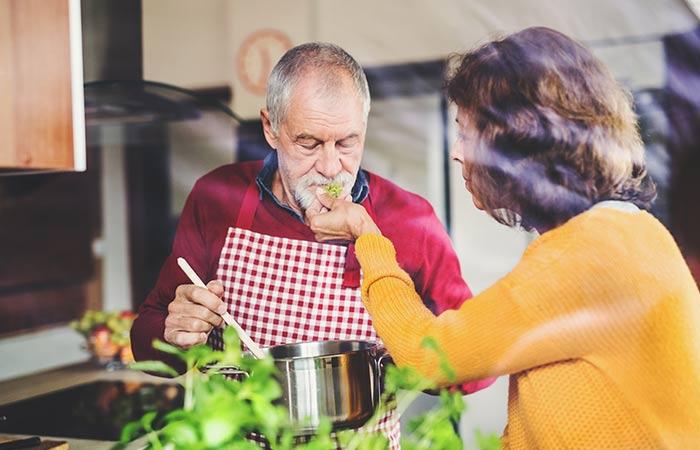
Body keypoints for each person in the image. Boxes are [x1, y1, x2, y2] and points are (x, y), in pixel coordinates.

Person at [308, 27, 700, 449]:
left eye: (465, 130)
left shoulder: (591, 254)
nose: (457, 151)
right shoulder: (620, 233)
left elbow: (429, 357)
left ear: (515, 141)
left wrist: (366, 234)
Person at [131, 42, 492, 448]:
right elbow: (146, 334)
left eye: (347, 143)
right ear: (271, 127)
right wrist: (174, 333)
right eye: (309, 143)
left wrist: (386, 365)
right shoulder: (216, 196)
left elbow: (476, 366)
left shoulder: (410, 221)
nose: (330, 167)